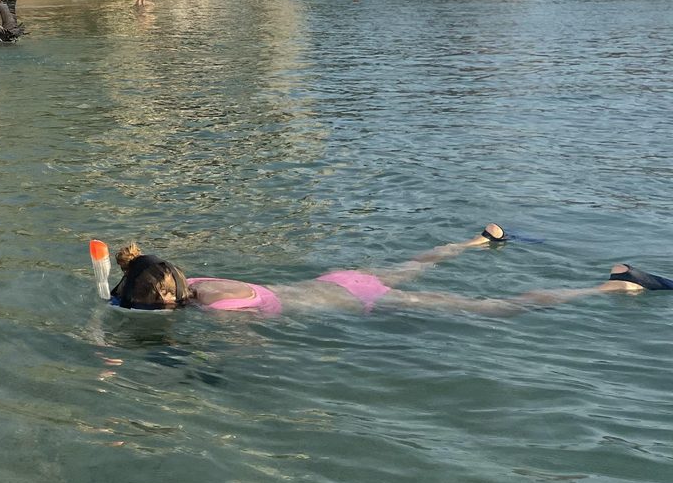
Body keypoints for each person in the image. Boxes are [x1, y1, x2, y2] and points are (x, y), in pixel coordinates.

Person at [105, 227, 671, 317]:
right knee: (420, 262)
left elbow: (251, 346)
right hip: (340, 280)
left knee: (490, 309)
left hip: (356, 304)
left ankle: (610, 284)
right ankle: (482, 238)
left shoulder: (215, 311)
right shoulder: (201, 281)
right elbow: (153, 277)